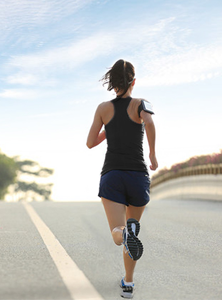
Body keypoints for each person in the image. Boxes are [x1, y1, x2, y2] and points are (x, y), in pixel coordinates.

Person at [86, 59, 158, 299]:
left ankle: (123, 234)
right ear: (133, 82)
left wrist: (110, 127)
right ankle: (128, 283)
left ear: (112, 83)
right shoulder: (141, 104)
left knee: (119, 232)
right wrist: (153, 154)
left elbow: (90, 143)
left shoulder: (103, 108)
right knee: (133, 232)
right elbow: (149, 122)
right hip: (138, 175)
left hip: (113, 175)